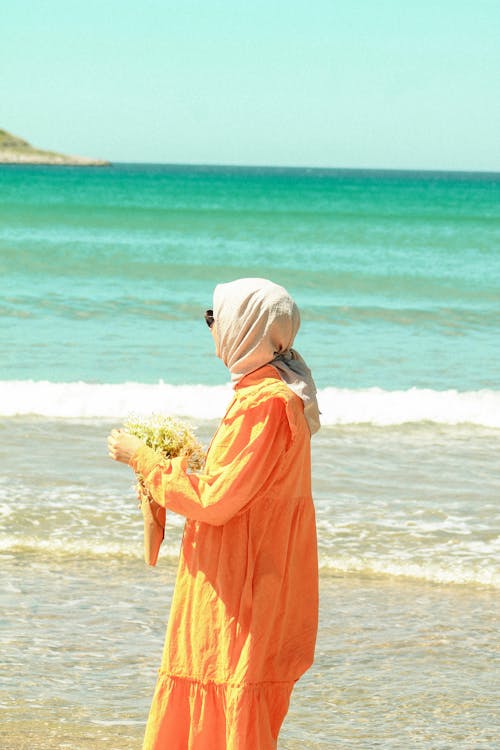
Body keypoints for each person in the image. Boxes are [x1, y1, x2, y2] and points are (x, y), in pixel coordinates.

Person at [107, 278, 320, 750]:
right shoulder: (268, 393)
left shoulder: (265, 403)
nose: (211, 326)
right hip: (248, 572)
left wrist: (143, 457)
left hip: (241, 583)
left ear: (248, 328)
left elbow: (215, 502)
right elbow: (241, 488)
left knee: (226, 690)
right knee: (222, 692)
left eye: (214, 316)